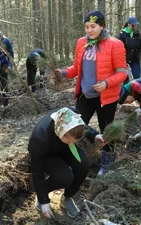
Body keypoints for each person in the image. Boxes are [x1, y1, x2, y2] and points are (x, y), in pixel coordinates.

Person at [55, 11, 127, 176]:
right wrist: (63, 73)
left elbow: (122, 72)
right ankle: (73, 161)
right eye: (87, 26)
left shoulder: (115, 44)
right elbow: (76, 68)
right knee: (75, 128)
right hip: (85, 95)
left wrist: (107, 83)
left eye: (93, 26)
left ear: (102, 26)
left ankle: (107, 163)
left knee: (106, 130)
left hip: (106, 97)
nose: (89, 30)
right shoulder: (82, 43)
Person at [28, 107, 104, 219]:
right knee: (65, 177)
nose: (72, 143)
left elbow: (82, 126)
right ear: (60, 132)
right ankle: (41, 195)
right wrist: (43, 201)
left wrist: (94, 134)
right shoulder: (39, 139)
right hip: (47, 154)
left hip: (63, 147)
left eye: (75, 140)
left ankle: (67, 198)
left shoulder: (71, 115)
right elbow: (37, 172)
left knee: (83, 166)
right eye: (69, 140)